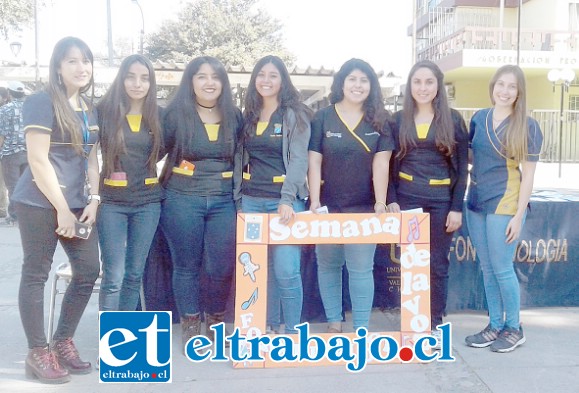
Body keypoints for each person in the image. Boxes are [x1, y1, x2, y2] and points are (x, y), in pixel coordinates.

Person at [10, 37, 100, 383]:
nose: (81, 68)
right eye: (72, 61)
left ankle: (63, 340)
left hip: (78, 203)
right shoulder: (40, 101)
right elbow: (37, 159)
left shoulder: (89, 109)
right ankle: (38, 351)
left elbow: (92, 158)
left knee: (88, 269)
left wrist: (94, 199)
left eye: (86, 61)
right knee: (37, 273)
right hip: (38, 202)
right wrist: (62, 209)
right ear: (58, 67)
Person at [160, 56, 242, 348]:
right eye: (201, 76)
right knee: (186, 266)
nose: (209, 83)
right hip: (182, 199)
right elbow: (151, 153)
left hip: (224, 202)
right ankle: (191, 325)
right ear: (190, 81)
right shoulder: (173, 115)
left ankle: (216, 324)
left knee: (220, 267)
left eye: (215, 77)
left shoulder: (235, 115)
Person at [308, 58, 394, 332]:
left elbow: (381, 164)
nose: (358, 85)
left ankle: (360, 327)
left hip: (364, 208)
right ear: (342, 83)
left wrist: (380, 202)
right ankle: (334, 321)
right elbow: (314, 161)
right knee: (328, 264)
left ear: (371, 86)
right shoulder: (323, 117)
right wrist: (314, 201)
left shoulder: (380, 120)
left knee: (360, 269)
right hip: (329, 207)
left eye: (364, 80)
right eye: (352, 79)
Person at [386, 60, 468, 346]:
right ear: (410, 86)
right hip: (408, 199)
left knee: (437, 264)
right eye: (417, 82)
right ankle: (413, 320)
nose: (423, 88)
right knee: (411, 263)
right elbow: (389, 165)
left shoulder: (453, 120)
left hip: (441, 202)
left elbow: (460, 167)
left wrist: (457, 207)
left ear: (438, 86)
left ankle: (434, 322)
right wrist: (392, 199)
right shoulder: (397, 120)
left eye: (429, 82)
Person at [464, 65, 543, 353]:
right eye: (501, 84)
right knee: (486, 267)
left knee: (501, 268)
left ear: (519, 92)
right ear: (493, 86)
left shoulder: (528, 126)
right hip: (475, 201)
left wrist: (519, 215)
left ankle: (514, 327)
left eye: (512, 86)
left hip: (505, 201)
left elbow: (529, 175)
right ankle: (495, 324)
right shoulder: (479, 118)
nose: (505, 91)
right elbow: (469, 156)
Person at [237, 55, 312, 334]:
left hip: (285, 203)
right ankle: (266, 326)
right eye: (261, 75)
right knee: (258, 270)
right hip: (251, 201)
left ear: (283, 81)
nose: (266, 80)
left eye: (273, 75)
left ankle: (292, 331)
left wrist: (286, 199)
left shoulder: (294, 114)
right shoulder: (249, 115)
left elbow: (299, 160)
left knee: (287, 270)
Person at [96, 54, 163, 312]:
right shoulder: (103, 112)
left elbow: (166, 150)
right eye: (131, 77)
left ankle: (126, 335)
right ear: (121, 78)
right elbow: (89, 154)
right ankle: (109, 339)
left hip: (147, 203)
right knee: (114, 275)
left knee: (135, 273)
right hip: (111, 204)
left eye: (144, 78)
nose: (137, 84)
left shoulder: (159, 115)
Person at [0, 81, 29, 225]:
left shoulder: (5, 110)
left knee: (13, 186)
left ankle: (15, 215)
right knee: (25, 185)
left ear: (10, 93)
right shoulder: (30, 108)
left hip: (10, 153)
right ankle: (23, 213)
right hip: (29, 151)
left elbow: (2, 134)